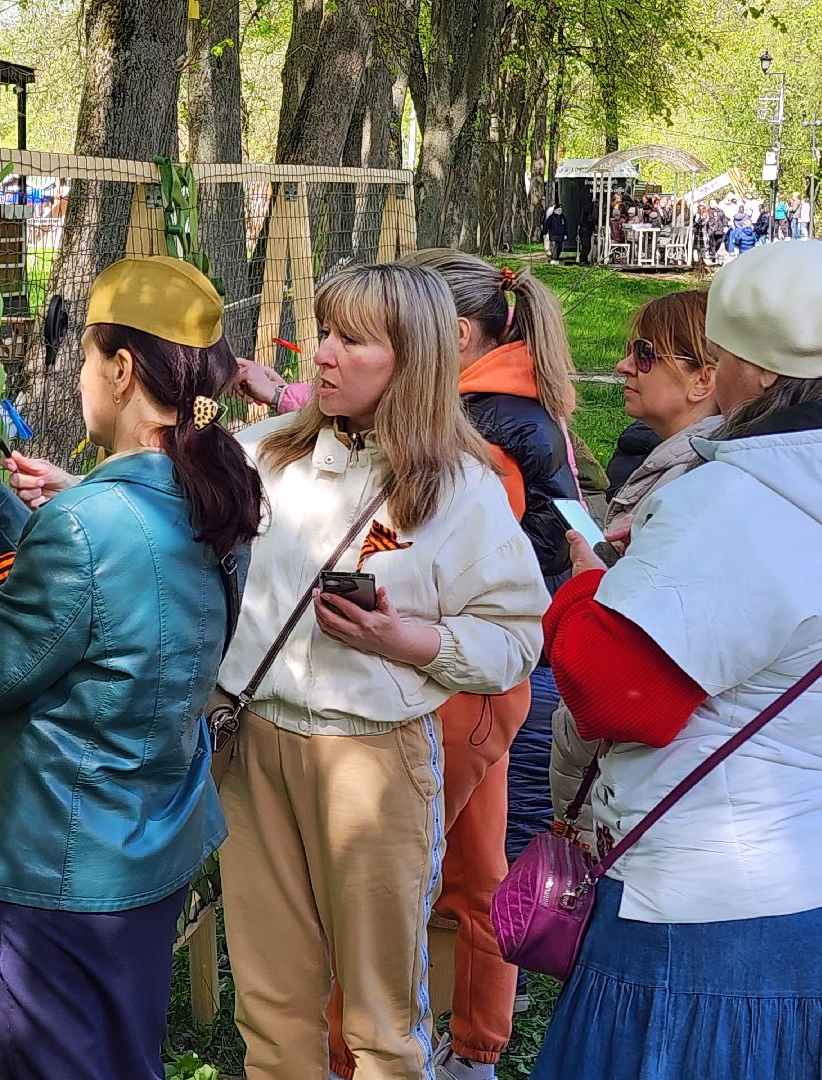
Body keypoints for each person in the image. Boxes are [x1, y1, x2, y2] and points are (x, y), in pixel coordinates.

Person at [0, 255, 264, 1080]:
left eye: (83, 357)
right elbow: (110, 605)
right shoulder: (217, 488)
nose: (78, 376)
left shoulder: (88, 522)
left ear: (120, 369)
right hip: (151, 848)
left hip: (63, 872)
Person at [238, 254, 577, 1079]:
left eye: (352, 340)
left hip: (373, 758)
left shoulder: (463, 487)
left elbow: (517, 635)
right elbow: (174, 528)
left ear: (415, 360)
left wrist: (408, 642)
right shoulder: (262, 454)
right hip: (252, 747)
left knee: (380, 1019)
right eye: (325, 332)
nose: (320, 353)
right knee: (271, 1010)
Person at [533, 241, 822, 1080]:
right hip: (799, 879)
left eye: (725, 355)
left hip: (696, 916)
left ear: (759, 372)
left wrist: (589, 588)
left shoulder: (733, 498)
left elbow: (616, 692)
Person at [549, 290, 720, 849]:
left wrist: (589, 582)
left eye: (645, 354)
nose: (625, 365)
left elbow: (631, 666)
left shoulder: (690, 488)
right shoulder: (675, 467)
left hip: (635, 788)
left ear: (702, 380)